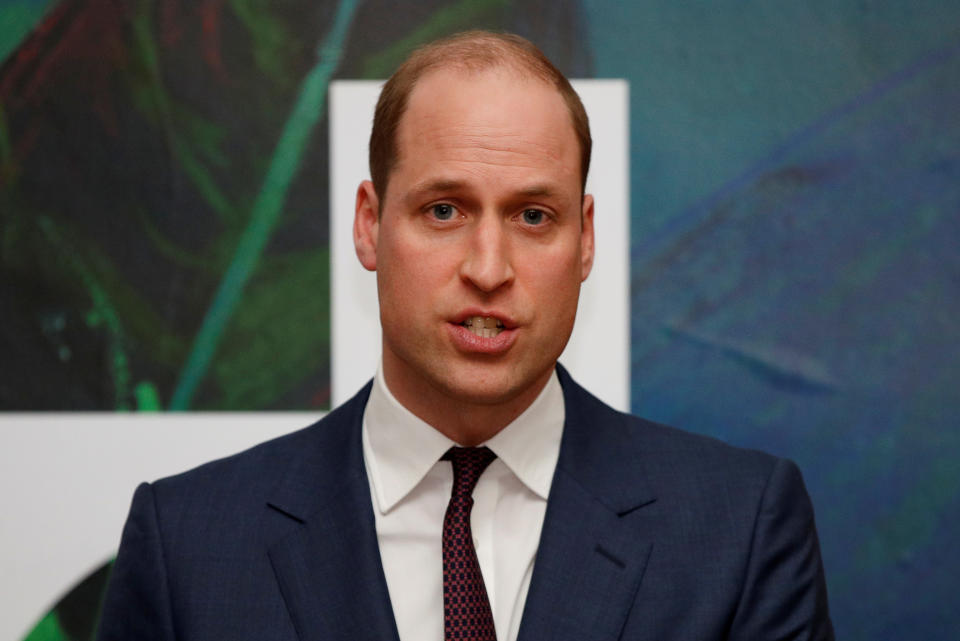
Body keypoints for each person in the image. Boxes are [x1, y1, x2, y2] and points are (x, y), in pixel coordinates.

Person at [97, 31, 834, 641]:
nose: (489, 268)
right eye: (444, 210)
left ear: (585, 243)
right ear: (368, 223)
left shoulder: (740, 531)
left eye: (534, 217)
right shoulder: (189, 546)